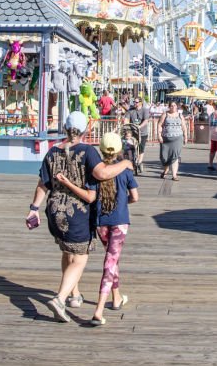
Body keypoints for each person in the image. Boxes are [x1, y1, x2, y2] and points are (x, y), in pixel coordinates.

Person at [26, 111, 133, 323]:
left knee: (67, 251)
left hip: (55, 210)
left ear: (65, 128)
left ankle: (74, 296)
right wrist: (125, 164)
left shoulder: (52, 152)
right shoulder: (87, 151)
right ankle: (60, 299)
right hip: (78, 211)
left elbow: (42, 184)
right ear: (85, 130)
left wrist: (34, 208)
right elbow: (102, 174)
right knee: (80, 257)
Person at [55, 132, 137, 327]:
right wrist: (124, 202)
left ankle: (116, 298)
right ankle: (99, 310)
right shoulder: (125, 171)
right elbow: (135, 196)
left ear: (101, 149)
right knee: (110, 261)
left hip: (101, 223)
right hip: (119, 222)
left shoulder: (94, 172)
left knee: (112, 258)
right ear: (119, 150)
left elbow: (90, 196)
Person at [158, 100, 187, 180]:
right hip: (166, 138)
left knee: (175, 156)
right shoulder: (165, 114)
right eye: (171, 106)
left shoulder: (180, 115)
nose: (173, 107)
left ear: (177, 106)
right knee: (164, 157)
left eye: (174, 105)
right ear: (169, 107)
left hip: (178, 138)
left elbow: (184, 126)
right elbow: (160, 124)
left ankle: (174, 175)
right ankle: (165, 170)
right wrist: (159, 135)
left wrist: (185, 136)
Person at [125, 99, 151, 174]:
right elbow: (126, 119)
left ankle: (139, 162)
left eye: (136, 102)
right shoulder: (131, 110)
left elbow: (146, 120)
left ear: (140, 103)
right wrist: (126, 124)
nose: (135, 103)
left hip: (142, 132)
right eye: (134, 102)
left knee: (141, 148)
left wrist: (140, 126)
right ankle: (131, 161)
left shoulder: (145, 110)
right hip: (132, 132)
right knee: (130, 146)